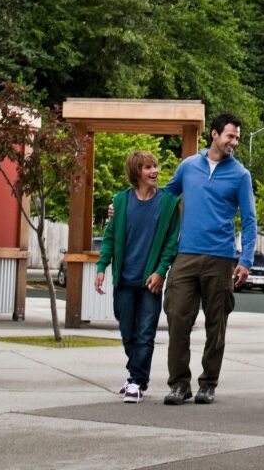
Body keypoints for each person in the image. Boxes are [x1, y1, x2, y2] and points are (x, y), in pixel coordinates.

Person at [162, 112, 257, 406]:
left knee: (217, 324)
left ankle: (208, 384)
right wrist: (123, 204)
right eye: (230, 136)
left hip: (221, 258)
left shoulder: (240, 175)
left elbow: (250, 220)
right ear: (214, 134)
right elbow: (165, 197)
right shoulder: (188, 167)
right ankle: (179, 384)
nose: (234, 142)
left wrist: (246, 260)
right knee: (177, 318)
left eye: (237, 138)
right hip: (186, 255)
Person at [95, 150, 181, 404]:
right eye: (147, 168)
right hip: (124, 279)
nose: (154, 171)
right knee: (126, 330)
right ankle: (138, 376)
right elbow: (109, 238)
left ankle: (135, 380)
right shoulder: (120, 202)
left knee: (145, 333)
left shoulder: (169, 203)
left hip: (149, 281)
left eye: (155, 166)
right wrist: (101, 267)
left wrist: (161, 271)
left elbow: (170, 243)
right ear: (136, 173)